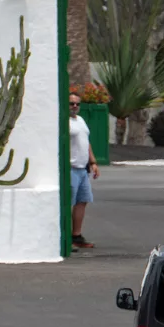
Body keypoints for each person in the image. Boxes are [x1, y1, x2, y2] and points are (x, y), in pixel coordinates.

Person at [69, 93, 100, 249]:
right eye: (71, 103)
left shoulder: (80, 121)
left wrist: (93, 162)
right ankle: (65, 238)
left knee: (82, 201)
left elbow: (86, 143)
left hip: (82, 169)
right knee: (69, 202)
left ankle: (76, 235)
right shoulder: (64, 122)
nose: (74, 106)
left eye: (77, 104)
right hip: (70, 168)